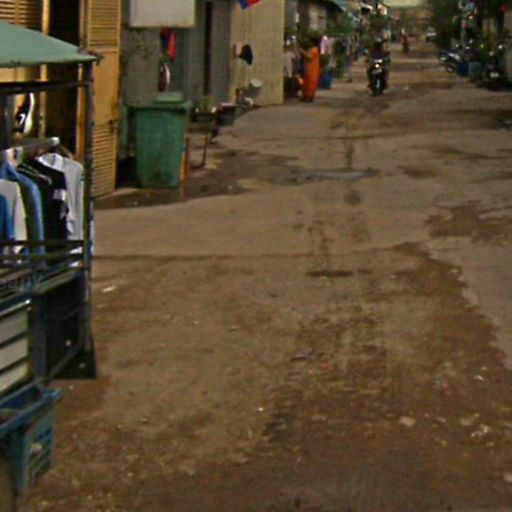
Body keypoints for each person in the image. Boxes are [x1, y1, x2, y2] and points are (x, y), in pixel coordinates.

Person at [300, 36, 321, 102]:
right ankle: (306, 96)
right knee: (306, 83)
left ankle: (309, 97)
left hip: (312, 69)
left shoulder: (314, 49)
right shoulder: (312, 49)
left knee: (311, 84)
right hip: (309, 68)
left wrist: (302, 51)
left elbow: (309, 56)